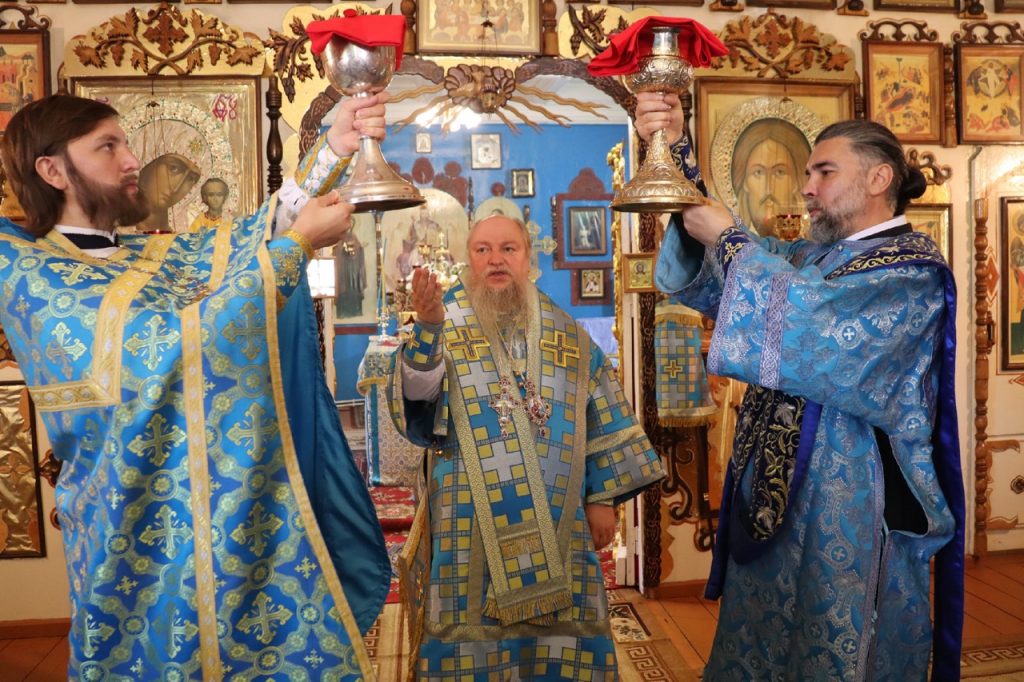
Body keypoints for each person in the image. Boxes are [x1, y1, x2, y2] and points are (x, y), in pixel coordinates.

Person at [0, 91, 394, 679]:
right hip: (139, 533)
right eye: (108, 147)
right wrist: (298, 249)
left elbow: (254, 237)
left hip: (241, 524)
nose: (132, 160)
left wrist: (332, 149)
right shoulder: (33, 273)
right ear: (52, 170)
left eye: (126, 142)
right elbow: (167, 348)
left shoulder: (152, 254)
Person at [635, 92, 964, 681]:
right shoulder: (816, 256)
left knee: (832, 646)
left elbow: (815, 326)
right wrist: (675, 151)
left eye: (824, 172)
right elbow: (730, 277)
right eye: (808, 173)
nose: (806, 188)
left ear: (879, 179)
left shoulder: (910, 271)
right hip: (778, 491)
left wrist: (730, 239)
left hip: (851, 503)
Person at [386, 214, 665, 680]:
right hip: (467, 517)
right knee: (466, 620)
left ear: (527, 257)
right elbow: (416, 399)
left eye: (508, 248)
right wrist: (429, 328)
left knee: (561, 632)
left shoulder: (565, 332)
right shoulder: (444, 319)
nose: (495, 259)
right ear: (468, 259)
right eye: (483, 249)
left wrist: (601, 499)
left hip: (558, 516)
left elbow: (602, 411)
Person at [730, 118, 809, 237]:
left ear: (795, 183)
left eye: (780, 172)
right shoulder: (734, 243)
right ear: (744, 182)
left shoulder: (812, 245)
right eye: (758, 172)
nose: (768, 189)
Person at [137, 151, 202, 232]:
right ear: (149, 165)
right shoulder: (122, 232)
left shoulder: (184, 236)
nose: (176, 188)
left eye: (191, 179)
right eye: (173, 168)